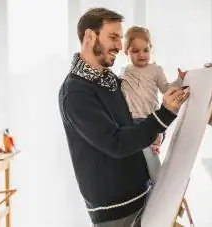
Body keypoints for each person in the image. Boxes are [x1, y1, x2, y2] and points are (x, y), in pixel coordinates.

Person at [58, 7, 189, 227]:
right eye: (113, 37)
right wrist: (164, 114)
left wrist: (156, 135)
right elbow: (116, 143)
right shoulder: (76, 92)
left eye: (120, 37)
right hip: (117, 213)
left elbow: (132, 132)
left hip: (143, 197)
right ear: (90, 36)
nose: (120, 46)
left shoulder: (110, 81)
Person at [119, 26, 187, 183]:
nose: (142, 55)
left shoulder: (155, 69)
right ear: (126, 51)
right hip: (132, 122)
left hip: (152, 120)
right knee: (138, 159)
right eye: (135, 51)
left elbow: (166, 89)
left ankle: (159, 183)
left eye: (145, 50)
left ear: (151, 49)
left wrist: (180, 80)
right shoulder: (124, 72)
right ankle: (149, 183)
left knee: (151, 152)